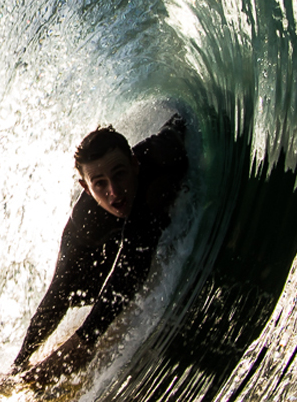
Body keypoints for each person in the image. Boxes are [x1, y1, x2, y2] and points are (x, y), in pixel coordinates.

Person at [11, 114, 189, 387]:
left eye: (119, 174)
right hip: (123, 228)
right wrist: (19, 363)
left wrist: (84, 340)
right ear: (85, 187)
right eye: (100, 184)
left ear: (134, 164)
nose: (114, 192)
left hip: (172, 153)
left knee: (138, 233)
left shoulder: (158, 166)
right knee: (75, 289)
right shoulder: (84, 220)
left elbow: (134, 264)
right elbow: (56, 292)